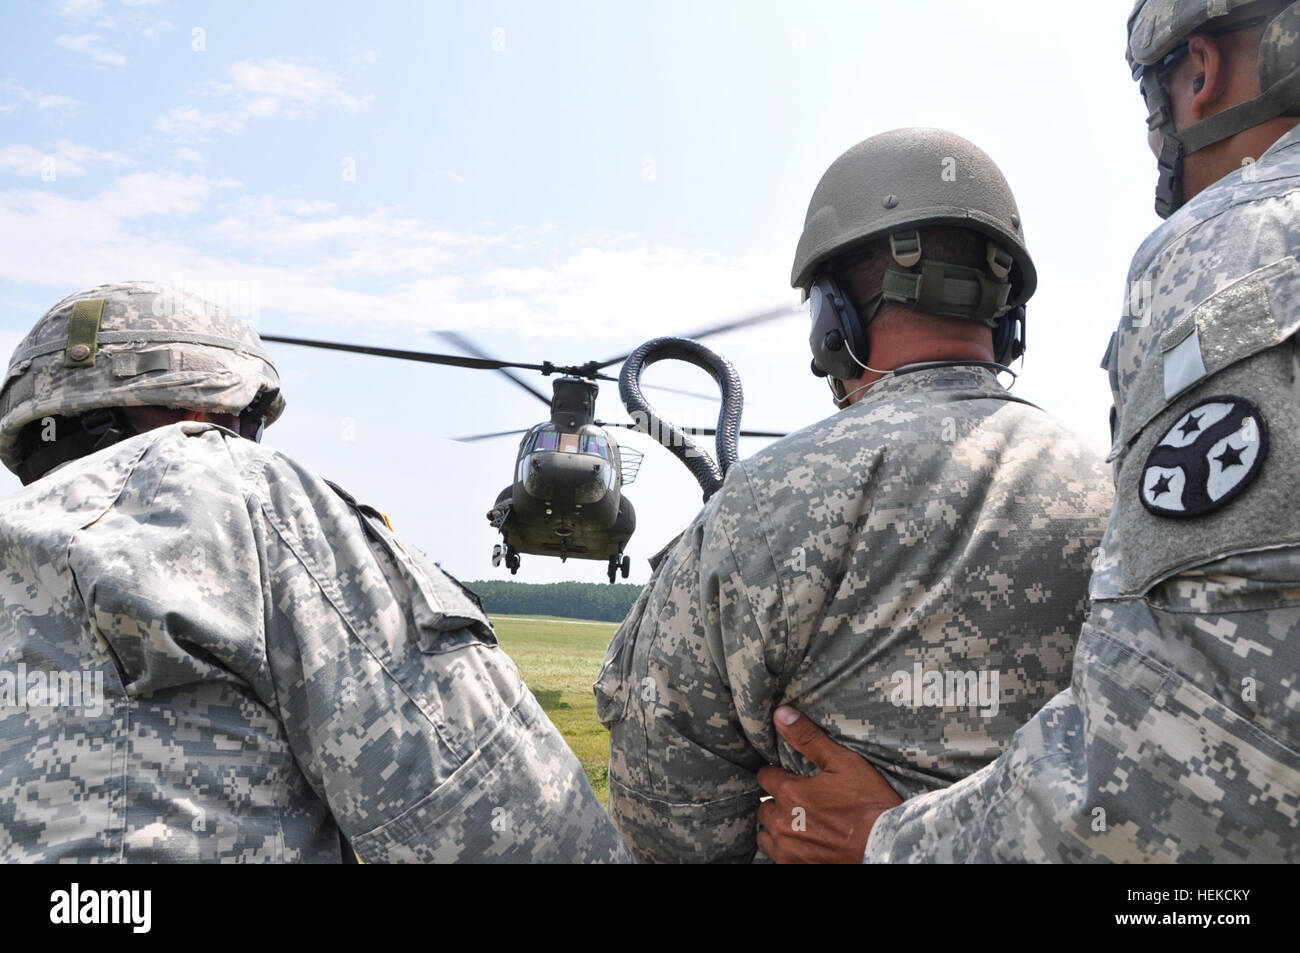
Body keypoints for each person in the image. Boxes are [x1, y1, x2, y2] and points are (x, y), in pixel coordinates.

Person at [759, 0, 1300, 864]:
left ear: (1198, 72)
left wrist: (889, 842)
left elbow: (1193, 767)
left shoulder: (1235, 244)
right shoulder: (1082, 474)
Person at [593, 128, 1113, 863]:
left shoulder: (755, 508)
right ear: (1007, 318)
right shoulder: (1120, 491)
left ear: (832, 319)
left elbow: (665, 814)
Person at [0, 281, 631, 863]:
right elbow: (508, 822)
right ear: (204, 413)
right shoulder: (235, 486)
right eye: (248, 420)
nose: (249, 441)